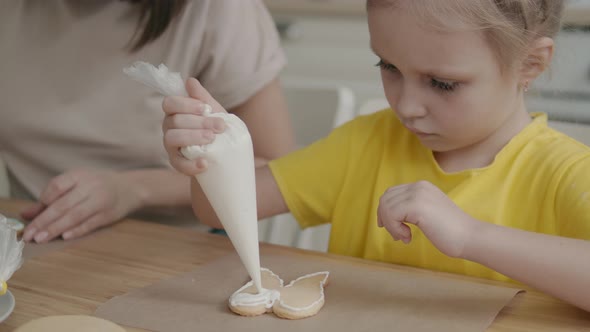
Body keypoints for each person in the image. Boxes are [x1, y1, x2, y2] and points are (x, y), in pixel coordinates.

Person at [162, 0, 590, 311]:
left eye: (441, 83)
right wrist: (215, 154)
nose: (406, 105)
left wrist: (471, 237)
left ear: (530, 64)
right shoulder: (363, 143)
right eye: (388, 67)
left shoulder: (566, 173)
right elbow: (215, 212)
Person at [0, 0, 294, 243]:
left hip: (179, 246)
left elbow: (278, 172)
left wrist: (132, 189)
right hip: (31, 240)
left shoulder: (219, 10)